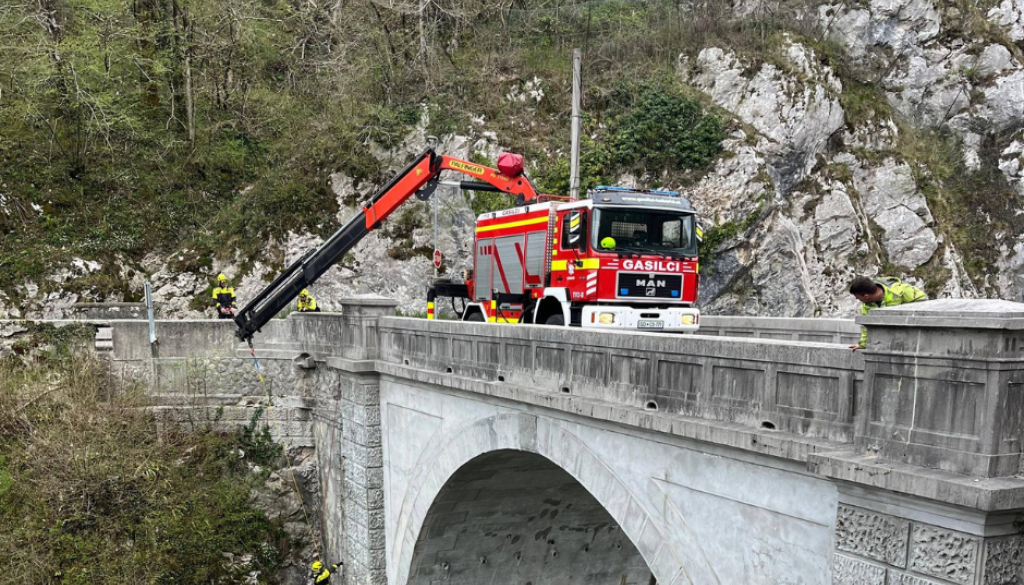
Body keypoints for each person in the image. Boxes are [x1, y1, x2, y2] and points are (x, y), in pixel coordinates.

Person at [848, 276, 926, 350]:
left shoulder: (900, 291)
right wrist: (863, 344)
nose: (858, 299)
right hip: (890, 341)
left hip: (912, 337)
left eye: (858, 298)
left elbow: (924, 303)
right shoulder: (866, 306)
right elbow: (866, 327)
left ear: (866, 296)